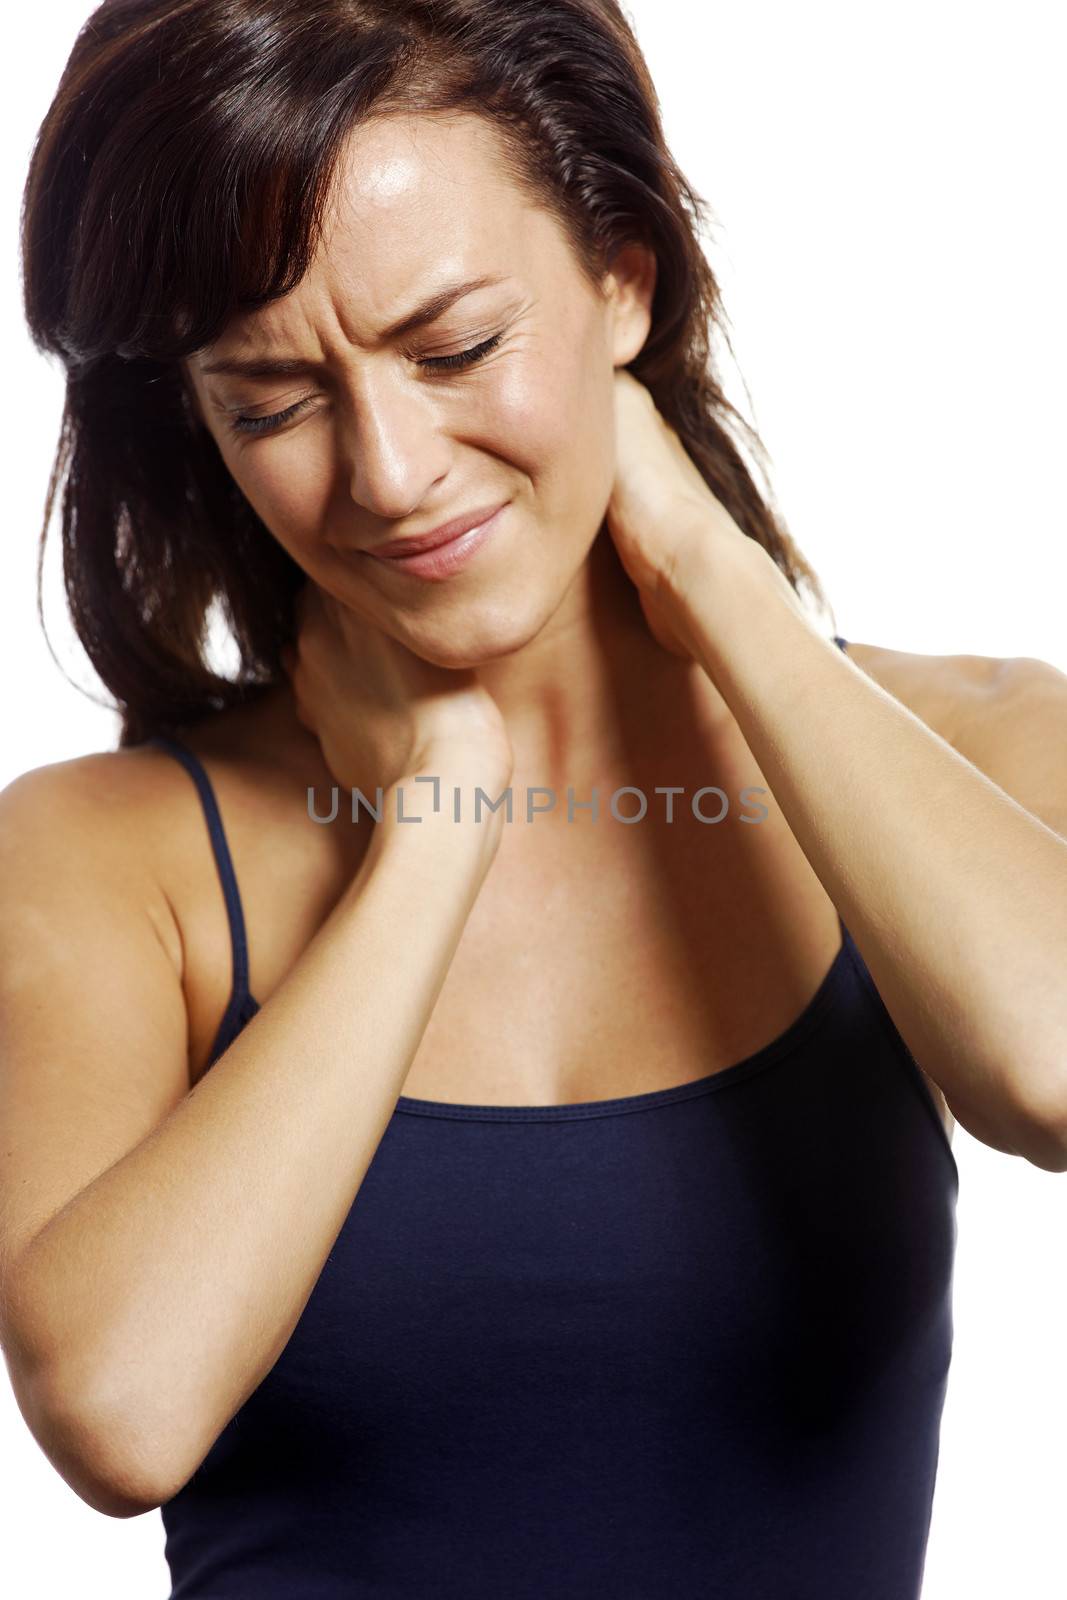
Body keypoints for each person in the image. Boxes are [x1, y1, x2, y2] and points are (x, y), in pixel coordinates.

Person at [2, 2, 1066, 1596]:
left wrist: (711, 570)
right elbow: (120, 1410)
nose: (389, 469)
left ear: (622, 278)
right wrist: (438, 816)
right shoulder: (102, 863)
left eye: (457, 349)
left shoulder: (973, 744)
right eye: (273, 401)